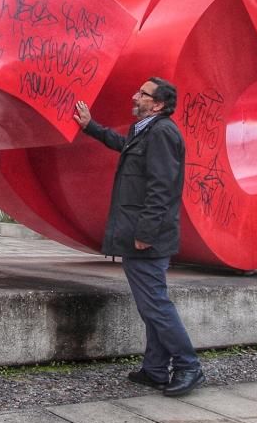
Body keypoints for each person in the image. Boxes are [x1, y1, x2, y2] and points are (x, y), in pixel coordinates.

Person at [73, 76, 204, 397]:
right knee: (150, 305)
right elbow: (123, 146)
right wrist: (91, 126)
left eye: (142, 93)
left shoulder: (163, 133)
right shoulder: (143, 129)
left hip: (148, 237)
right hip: (139, 233)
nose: (134, 95)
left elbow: (163, 187)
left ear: (157, 104)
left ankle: (189, 366)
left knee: (156, 305)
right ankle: (156, 370)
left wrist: (145, 233)